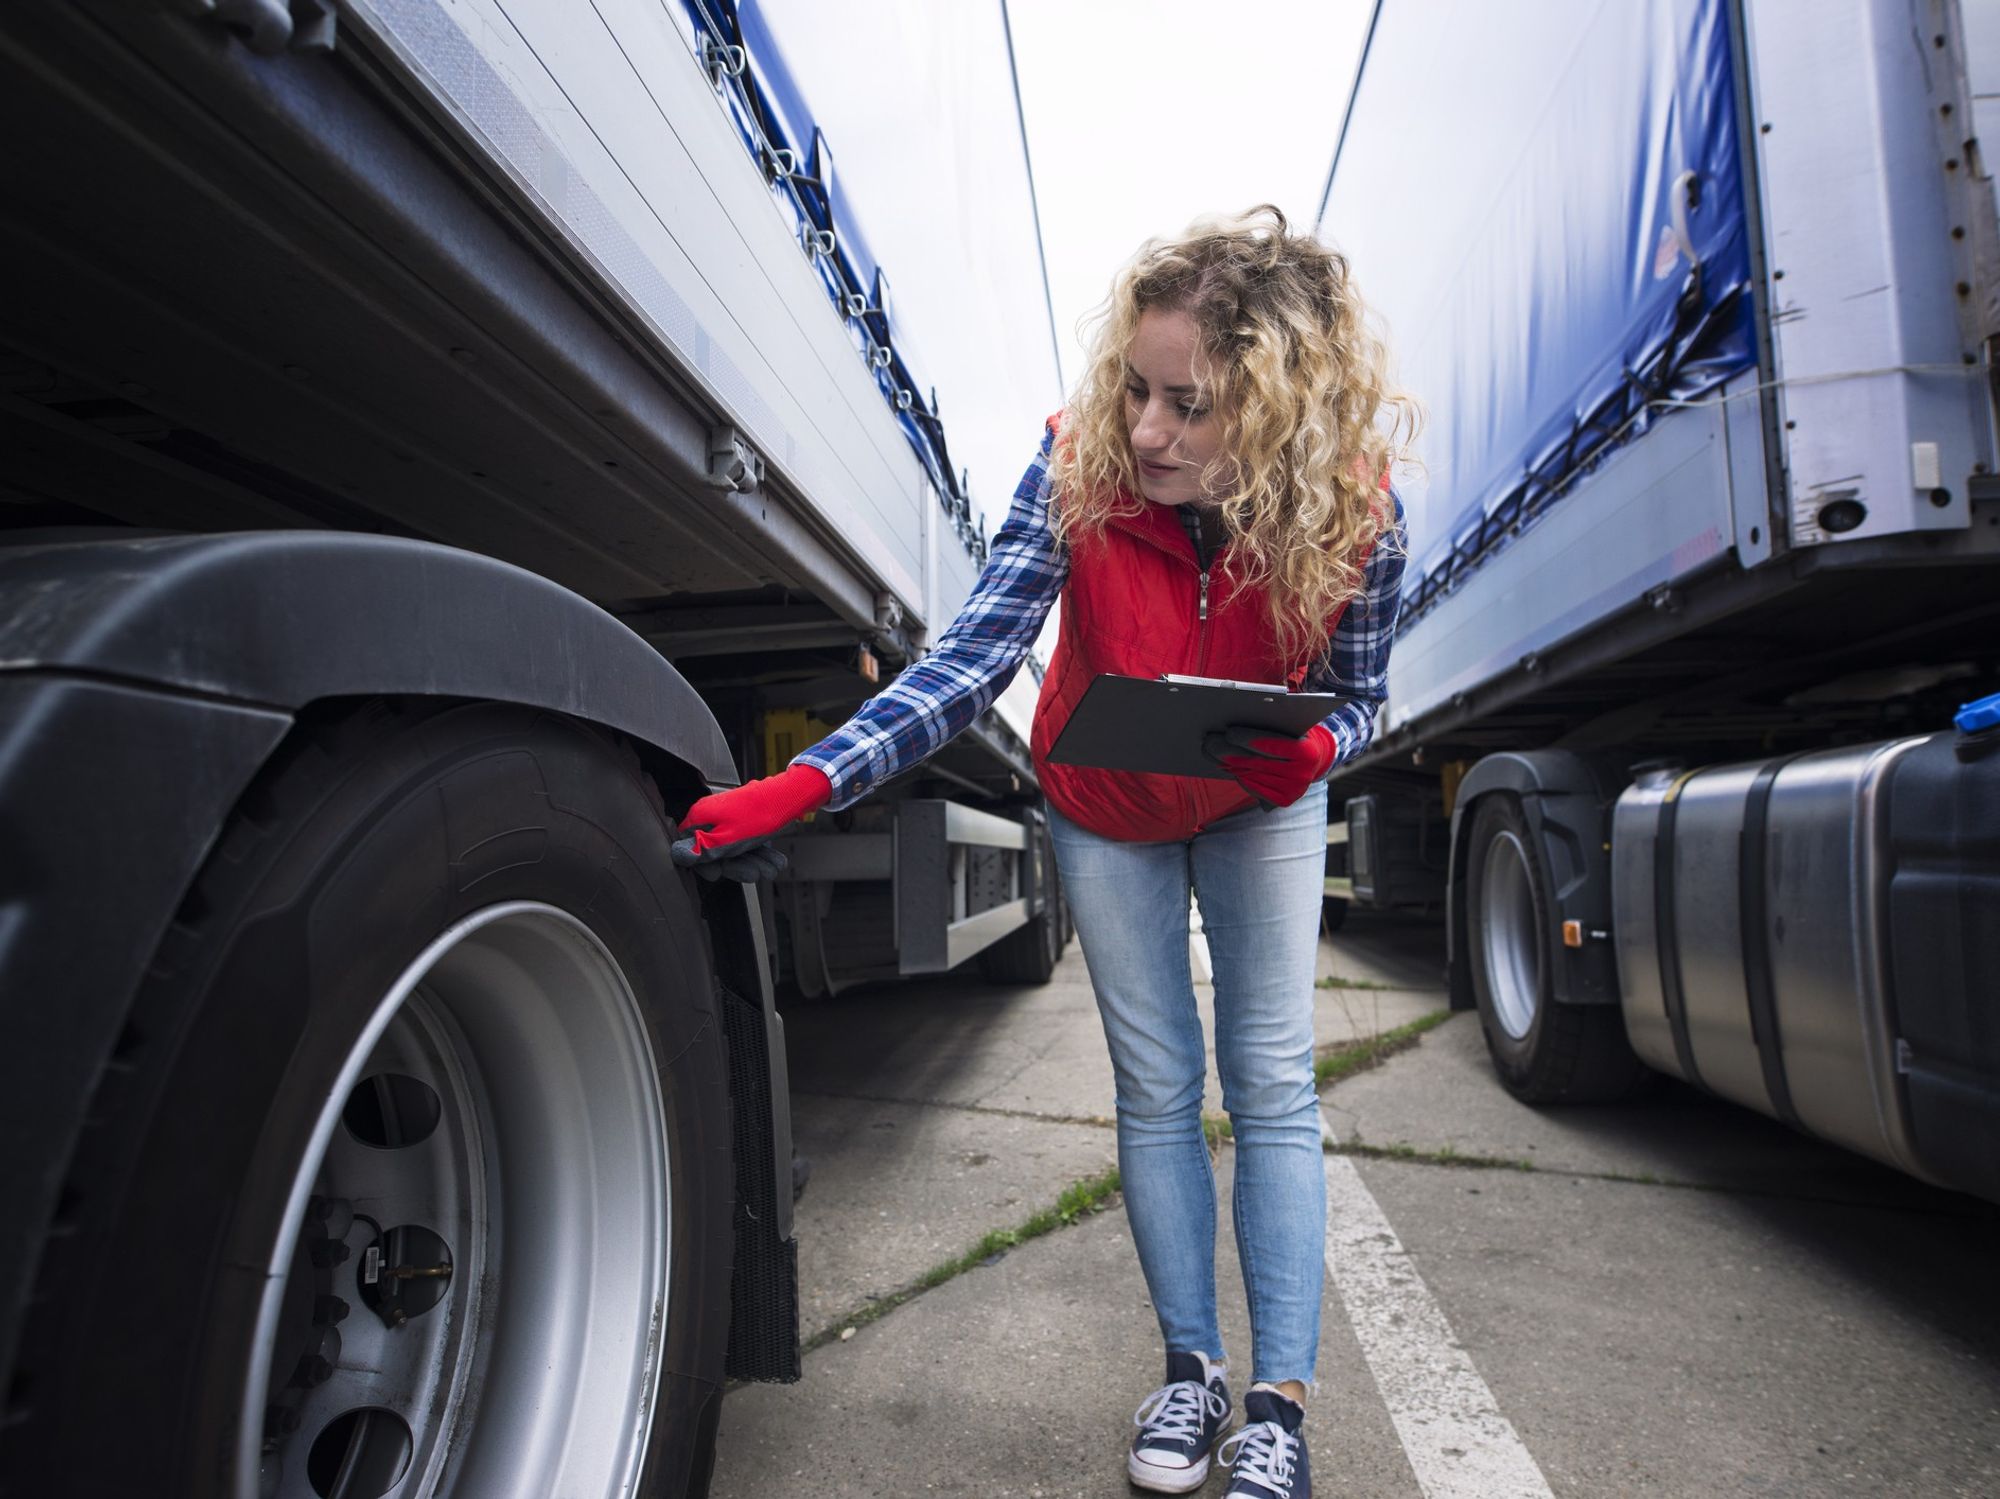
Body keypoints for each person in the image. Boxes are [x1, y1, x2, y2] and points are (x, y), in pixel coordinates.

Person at [674, 205, 1413, 1499]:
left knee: (1272, 1076)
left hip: (1257, 801)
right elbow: (976, 655)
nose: (1145, 430)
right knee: (1157, 1082)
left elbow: (1364, 694)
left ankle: (1277, 1409)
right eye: (1136, 387)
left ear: (1277, 405)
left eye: (1187, 404)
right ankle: (1188, 1367)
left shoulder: (1360, 516)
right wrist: (814, 773)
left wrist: (1321, 751)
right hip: (1103, 799)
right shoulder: (1079, 464)